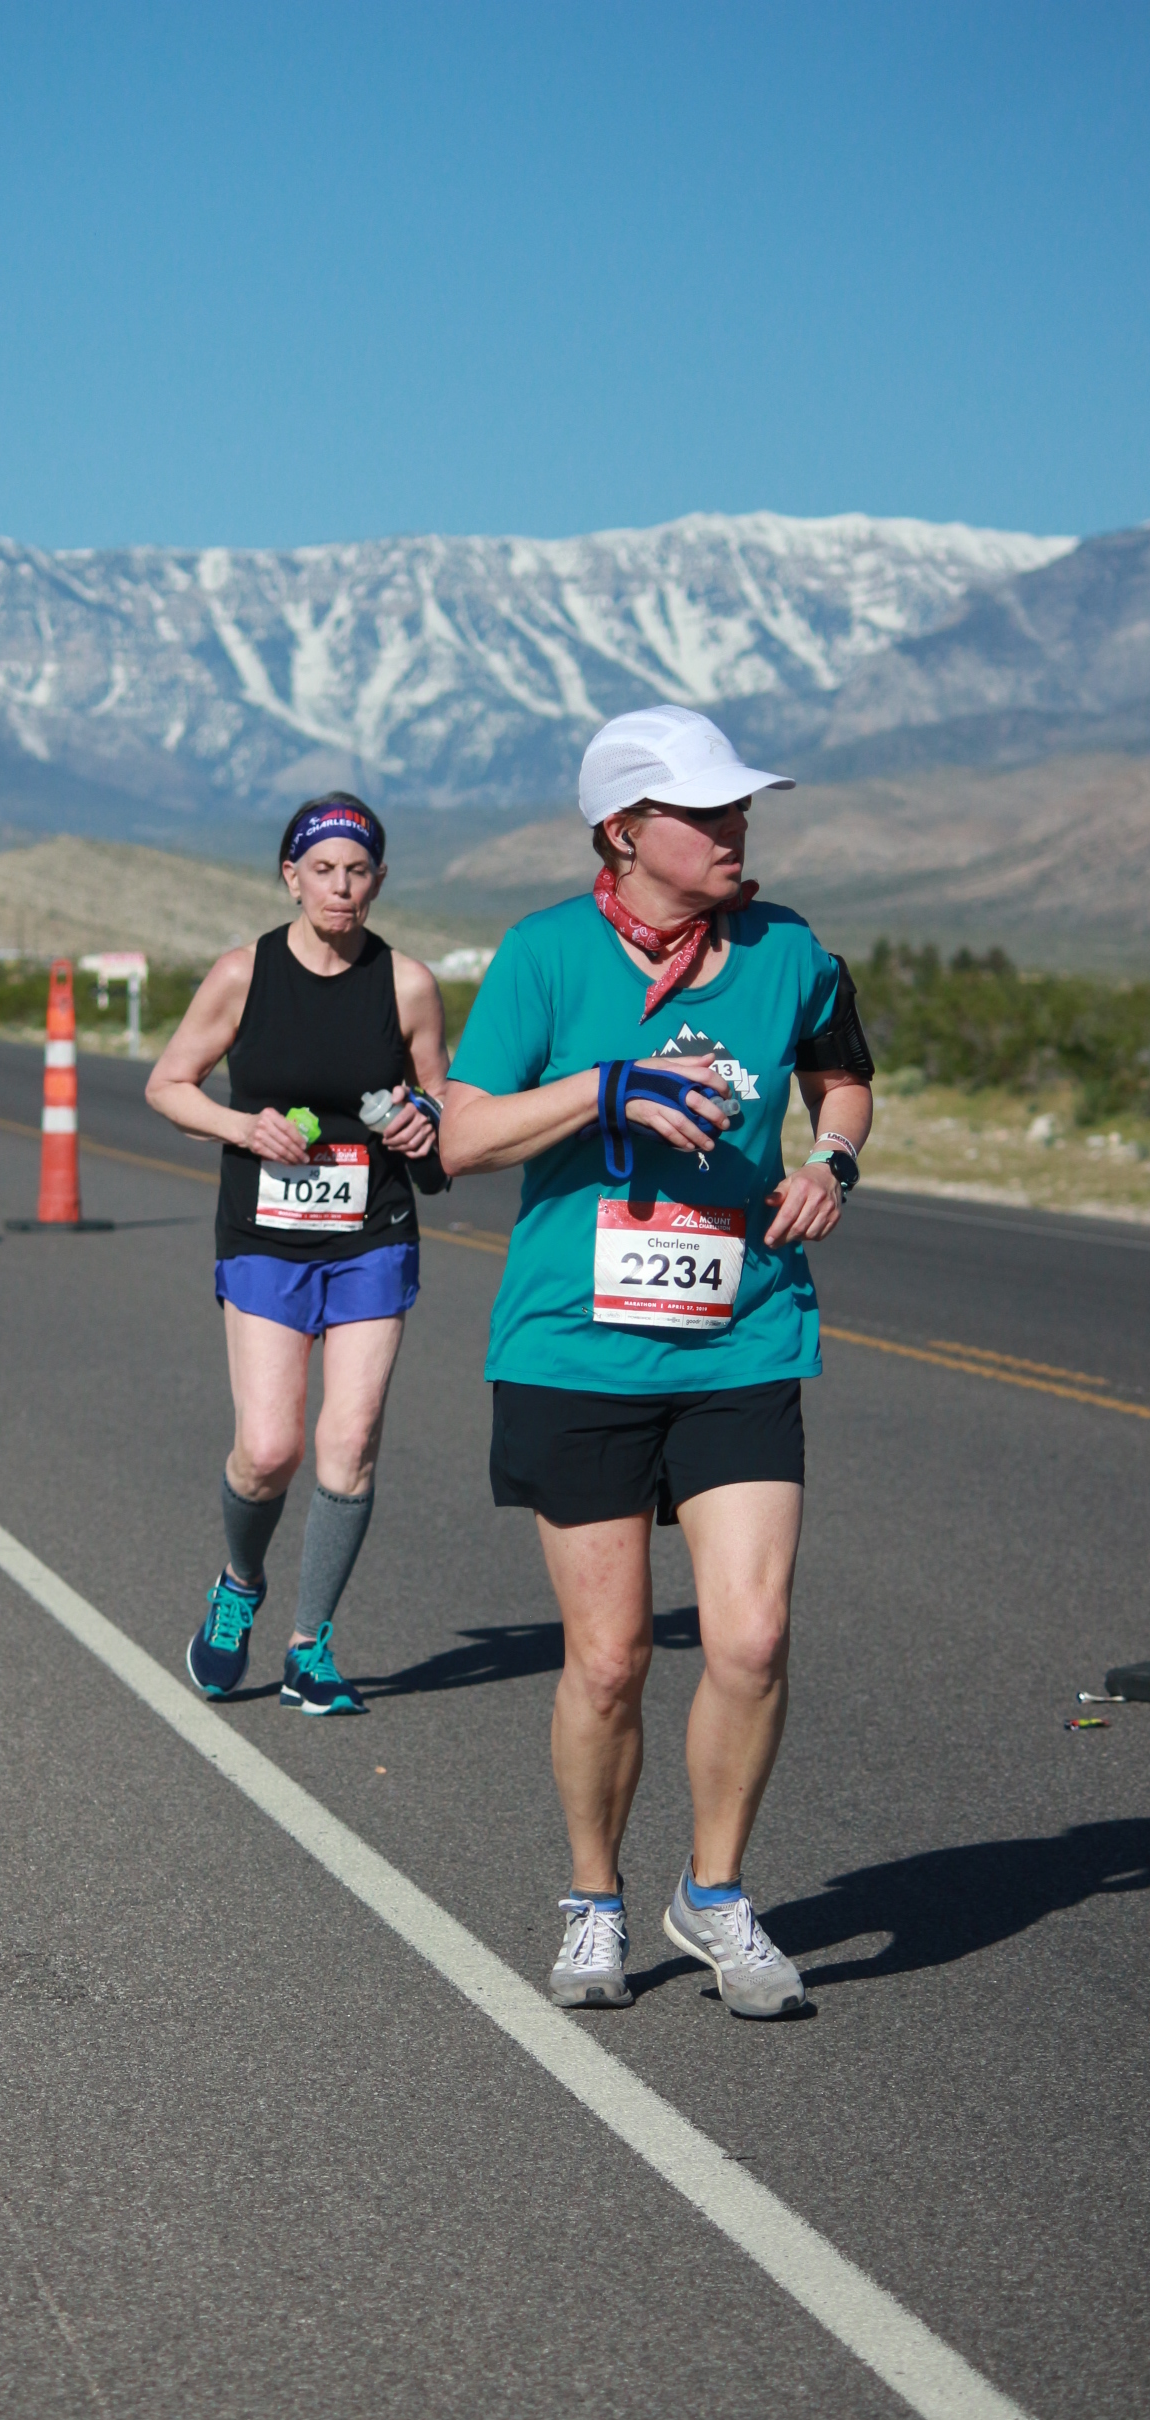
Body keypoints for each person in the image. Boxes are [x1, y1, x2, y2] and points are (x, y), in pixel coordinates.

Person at [440, 705, 875, 2019]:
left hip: (743, 1335)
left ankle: (716, 1895)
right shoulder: (544, 954)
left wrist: (832, 1160)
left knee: (752, 1636)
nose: (736, 827)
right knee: (612, 1659)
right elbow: (461, 1138)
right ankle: (595, 1901)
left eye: (741, 806)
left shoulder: (788, 949)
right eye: (706, 810)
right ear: (624, 832)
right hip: (575, 1351)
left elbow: (842, 1075)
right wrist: (605, 1089)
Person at [146, 792, 449, 1715]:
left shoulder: (407, 984)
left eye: (358, 871)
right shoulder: (244, 975)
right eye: (323, 870)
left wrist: (422, 1120)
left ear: (379, 880)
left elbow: (444, 1103)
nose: (340, 887)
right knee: (268, 1450)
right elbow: (168, 1085)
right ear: (291, 876)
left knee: (348, 1444)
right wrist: (245, 1127)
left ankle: (310, 1646)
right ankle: (240, 1582)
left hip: (372, 1233)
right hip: (265, 1239)